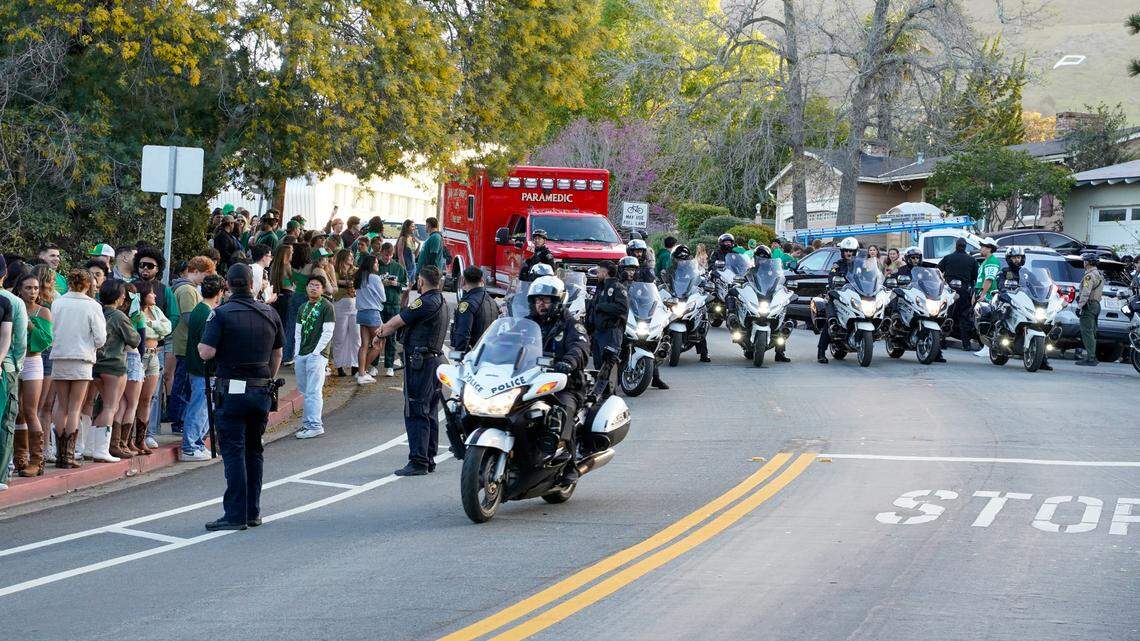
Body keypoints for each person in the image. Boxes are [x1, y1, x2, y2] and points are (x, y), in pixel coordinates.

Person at [199, 264, 285, 531]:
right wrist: (266, 377)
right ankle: (252, 511)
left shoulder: (221, 314)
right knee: (254, 449)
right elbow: (278, 353)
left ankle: (235, 513)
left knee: (234, 451)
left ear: (227, 285)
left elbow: (205, 352)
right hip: (261, 388)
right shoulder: (270, 312)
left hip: (232, 389)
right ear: (252, 284)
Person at [374, 265, 449, 476]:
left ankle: (418, 461)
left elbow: (397, 322)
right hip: (434, 361)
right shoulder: (442, 301)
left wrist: (379, 335)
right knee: (430, 411)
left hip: (421, 363)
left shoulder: (424, 301)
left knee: (416, 410)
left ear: (421, 282)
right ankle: (428, 458)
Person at [524, 275, 590, 486]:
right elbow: (507, 345)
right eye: (537, 300)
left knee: (561, 411)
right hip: (528, 381)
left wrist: (569, 362)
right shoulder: (526, 324)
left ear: (557, 301)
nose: (540, 304)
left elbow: (580, 347)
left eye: (545, 300)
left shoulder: (570, 324)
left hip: (564, 383)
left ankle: (570, 463)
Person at [49, 270, 106, 468]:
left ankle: (59, 454)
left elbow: (51, 330)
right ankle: (69, 455)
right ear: (88, 285)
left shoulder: (57, 303)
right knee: (75, 407)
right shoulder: (92, 305)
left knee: (61, 405)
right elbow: (100, 338)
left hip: (60, 356)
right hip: (82, 358)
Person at [90, 279, 141, 463]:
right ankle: (103, 449)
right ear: (119, 297)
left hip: (96, 363)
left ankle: (92, 446)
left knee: (100, 405)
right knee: (111, 406)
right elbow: (134, 340)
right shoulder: (119, 316)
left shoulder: (97, 311)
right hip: (114, 364)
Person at [178, 274, 224, 461]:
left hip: (196, 366)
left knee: (202, 406)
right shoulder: (208, 314)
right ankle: (190, 446)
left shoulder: (199, 309)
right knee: (200, 407)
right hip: (203, 368)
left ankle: (195, 443)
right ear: (219, 293)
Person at [169, 256, 216, 432]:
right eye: (205, 274)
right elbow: (190, 318)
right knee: (183, 385)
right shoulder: (188, 290)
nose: (206, 279)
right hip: (185, 344)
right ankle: (179, 421)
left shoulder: (187, 288)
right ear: (195, 271)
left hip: (185, 343)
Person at [13, 272, 52, 477]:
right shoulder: (14, 307)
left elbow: (45, 340)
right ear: (20, 289)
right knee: (16, 410)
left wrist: (29, 324)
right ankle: (20, 456)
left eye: (36, 288)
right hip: (14, 360)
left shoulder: (43, 312)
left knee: (30, 410)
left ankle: (37, 460)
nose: (33, 292)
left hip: (32, 361)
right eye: (28, 288)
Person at [294, 275, 335, 439]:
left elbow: (328, 332)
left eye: (317, 285)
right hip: (302, 354)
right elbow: (298, 332)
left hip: (317, 355)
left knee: (314, 391)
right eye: (311, 285)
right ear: (306, 288)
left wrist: (316, 352)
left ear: (323, 289)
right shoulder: (303, 307)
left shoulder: (327, 306)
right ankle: (307, 424)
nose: (313, 288)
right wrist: (297, 353)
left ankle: (315, 425)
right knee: (305, 391)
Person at [132, 285, 171, 456]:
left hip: (154, 355)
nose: (154, 295)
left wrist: (151, 323)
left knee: (148, 398)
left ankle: (142, 438)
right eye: (151, 293)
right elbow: (142, 332)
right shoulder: (134, 311)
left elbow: (167, 328)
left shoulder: (155, 310)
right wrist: (154, 328)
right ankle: (128, 438)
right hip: (139, 355)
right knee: (133, 399)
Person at [660, 245, 710, 363]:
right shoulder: (670, 269)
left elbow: (699, 278)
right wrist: (661, 285)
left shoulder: (693, 269)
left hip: (687, 296)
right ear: (674, 259)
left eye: (683, 259)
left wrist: (703, 283)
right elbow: (664, 279)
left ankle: (704, 353)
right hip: (674, 297)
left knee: (702, 316)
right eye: (678, 259)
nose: (681, 262)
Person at [586, 261, 627, 394]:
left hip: (611, 332)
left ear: (605, 272)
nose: (597, 274)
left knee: (608, 365)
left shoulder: (617, 288)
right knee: (598, 366)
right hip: (598, 332)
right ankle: (604, 396)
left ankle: (609, 396)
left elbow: (622, 308)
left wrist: (601, 307)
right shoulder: (600, 288)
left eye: (599, 272)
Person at [817, 237, 859, 364]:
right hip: (838, 296)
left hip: (856, 297)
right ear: (842, 252)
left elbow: (867, 278)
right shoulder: (837, 265)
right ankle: (821, 351)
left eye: (851, 251)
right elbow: (832, 278)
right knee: (831, 322)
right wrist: (834, 284)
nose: (849, 253)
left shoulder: (860, 265)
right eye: (846, 251)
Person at [938, 237, 979, 351]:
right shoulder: (971, 260)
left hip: (948, 290)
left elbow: (937, 270)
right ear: (965, 246)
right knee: (963, 317)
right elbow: (976, 277)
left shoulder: (948, 258)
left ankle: (941, 341)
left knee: (945, 315)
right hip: (963, 291)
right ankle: (966, 344)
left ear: (956, 246)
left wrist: (943, 281)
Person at [354, 254, 387, 384]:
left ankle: (361, 373)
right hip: (373, 313)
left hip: (361, 313)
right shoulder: (374, 277)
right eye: (376, 263)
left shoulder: (359, 276)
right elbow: (383, 298)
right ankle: (362, 371)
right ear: (370, 264)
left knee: (364, 345)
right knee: (379, 343)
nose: (377, 265)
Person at [375, 242, 407, 375]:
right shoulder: (376, 267)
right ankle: (374, 365)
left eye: (390, 255)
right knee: (377, 334)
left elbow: (406, 286)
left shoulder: (398, 268)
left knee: (392, 336)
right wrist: (381, 283)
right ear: (381, 252)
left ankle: (389, 366)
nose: (388, 257)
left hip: (394, 304)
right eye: (386, 254)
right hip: (379, 305)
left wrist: (397, 284)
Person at [451, 266, 498, 352]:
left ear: (463, 281)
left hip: (472, 355)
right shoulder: (492, 302)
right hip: (487, 352)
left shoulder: (467, 304)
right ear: (481, 280)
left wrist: (459, 354)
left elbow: (463, 333)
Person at [330, 249, 359, 376]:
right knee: (339, 337)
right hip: (340, 305)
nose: (352, 258)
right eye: (349, 256)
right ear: (343, 257)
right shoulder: (335, 271)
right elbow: (333, 283)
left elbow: (360, 282)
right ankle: (339, 365)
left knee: (356, 337)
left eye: (352, 256)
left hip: (355, 306)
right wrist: (347, 282)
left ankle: (355, 365)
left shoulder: (356, 270)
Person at [971, 237, 1001, 358]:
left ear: (989, 248)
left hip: (989, 296)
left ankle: (987, 347)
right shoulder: (985, 261)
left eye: (983, 246)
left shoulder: (992, 262)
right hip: (981, 293)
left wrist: (983, 295)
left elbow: (989, 279)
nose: (981, 248)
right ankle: (985, 346)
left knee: (987, 321)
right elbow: (980, 280)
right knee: (979, 321)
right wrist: (975, 294)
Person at [1075, 253, 1104, 367]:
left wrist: (1079, 306)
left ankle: (1090, 357)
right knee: (1092, 331)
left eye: (1084, 261)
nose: (1083, 263)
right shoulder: (1099, 274)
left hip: (1089, 305)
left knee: (1087, 331)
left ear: (1087, 262)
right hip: (1096, 304)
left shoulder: (1089, 276)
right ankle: (1093, 356)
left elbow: (1086, 292)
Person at [268, 243, 295, 358]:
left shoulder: (274, 265)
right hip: (288, 295)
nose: (293, 253)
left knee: (277, 325)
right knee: (286, 326)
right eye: (291, 251)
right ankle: (284, 353)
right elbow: (294, 281)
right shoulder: (287, 266)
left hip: (276, 296)